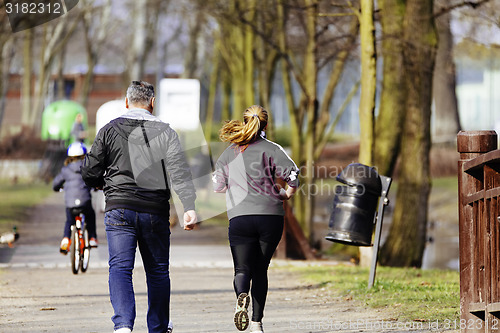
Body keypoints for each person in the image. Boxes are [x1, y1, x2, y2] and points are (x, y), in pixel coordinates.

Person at [81, 80, 197, 333]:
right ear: (152, 103)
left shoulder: (109, 130)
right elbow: (179, 171)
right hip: (154, 210)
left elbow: (89, 171)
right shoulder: (167, 133)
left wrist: (106, 184)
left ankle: (123, 325)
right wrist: (189, 206)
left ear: (126, 102)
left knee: (120, 268)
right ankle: (157, 326)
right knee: (157, 271)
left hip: (119, 208)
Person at [212, 105, 299, 333]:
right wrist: (287, 193)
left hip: (240, 217)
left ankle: (242, 295)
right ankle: (257, 323)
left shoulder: (231, 152)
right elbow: (293, 174)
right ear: (266, 125)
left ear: (244, 122)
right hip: (270, 216)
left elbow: (217, 185)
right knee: (261, 270)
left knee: (242, 270)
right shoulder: (272, 149)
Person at [53, 142, 98, 253]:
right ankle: (92, 238)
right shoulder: (87, 168)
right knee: (90, 216)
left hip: (70, 203)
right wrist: (95, 186)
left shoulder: (66, 170)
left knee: (69, 221)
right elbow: (94, 179)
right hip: (85, 201)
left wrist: (58, 188)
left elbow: (56, 184)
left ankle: (65, 240)